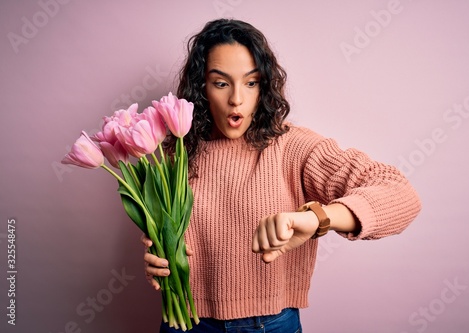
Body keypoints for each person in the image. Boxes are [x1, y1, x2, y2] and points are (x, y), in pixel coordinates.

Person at [142, 18, 422, 333]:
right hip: (184, 321)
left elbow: (400, 194)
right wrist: (160, 259)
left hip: (269, 324)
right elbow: (168, 240)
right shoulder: (171, 154)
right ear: (201, 87)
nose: (237, 98)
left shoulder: (293, 147)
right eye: (221, 83)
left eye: (251, 82)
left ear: (265, 86)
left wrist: (319, 218)